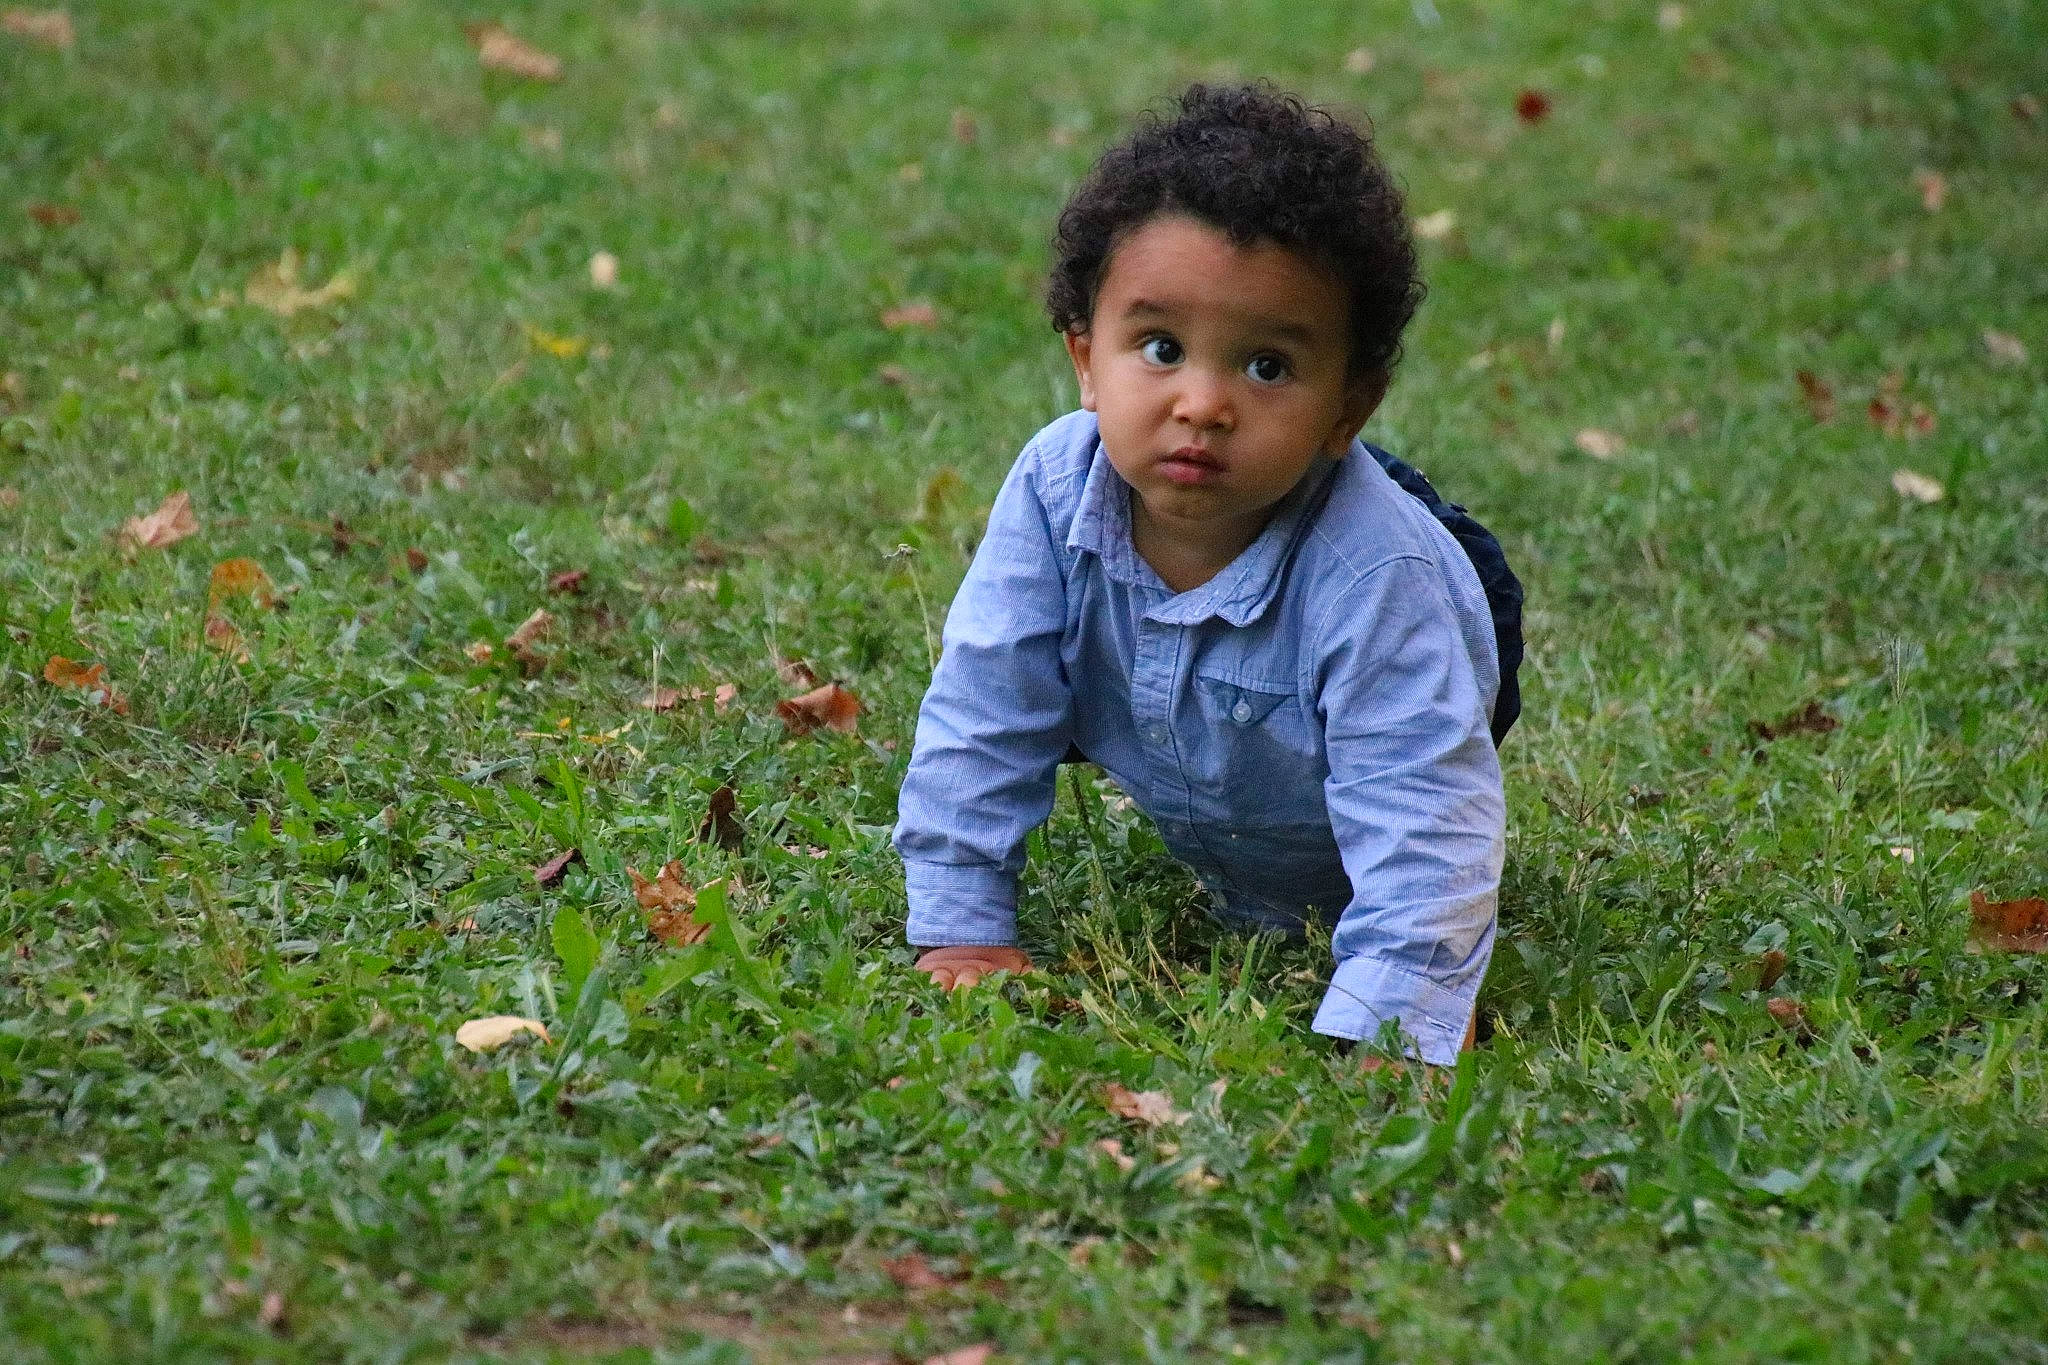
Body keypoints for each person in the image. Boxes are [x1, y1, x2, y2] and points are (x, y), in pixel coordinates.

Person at [891, 83, 1523, 1066]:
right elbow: (983, 707)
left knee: (1406, 747)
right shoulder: (1055, 488)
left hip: (1392, 685)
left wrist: (1400, 1016)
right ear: (1085, 360)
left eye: (1265, 367)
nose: (1202, 404)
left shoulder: (1375, 576)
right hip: (1206, 743)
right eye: (1160, 348)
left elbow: (1424, 810)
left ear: (1348, 406)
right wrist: (962, 925)